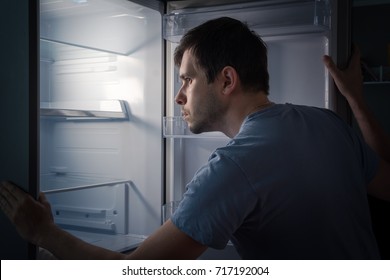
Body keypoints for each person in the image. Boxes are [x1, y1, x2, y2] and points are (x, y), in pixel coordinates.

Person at [1, 17, 389, 260]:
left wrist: (43, 233)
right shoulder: (328, 123)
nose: (178, 96)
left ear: (226, 80)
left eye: (186, 79)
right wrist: (355, 99)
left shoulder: (234, 169)